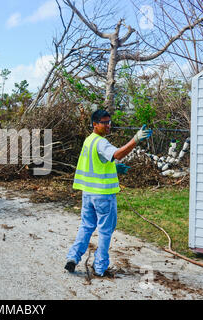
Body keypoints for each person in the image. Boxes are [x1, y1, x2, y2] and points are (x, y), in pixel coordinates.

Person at [64, 109, 152, 277]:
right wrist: (136, 139)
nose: (108, 125)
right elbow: (117, 153)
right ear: (94, 124)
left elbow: (98, 163)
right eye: (104, 123)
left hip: (88, 193)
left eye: (109, 122)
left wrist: (114, 167)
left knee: (86, 226)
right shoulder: (101, 142)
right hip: (103, 195)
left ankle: (72, 258)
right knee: (105, 231)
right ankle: (100, 266)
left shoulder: (89, 141)